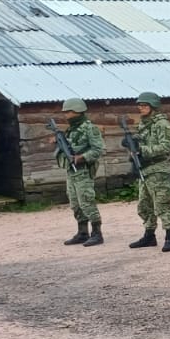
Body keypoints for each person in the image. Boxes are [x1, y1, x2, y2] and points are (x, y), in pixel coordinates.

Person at [127, 91, 170, 252]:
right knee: (144, 205)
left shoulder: (162, 124)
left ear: (153, 106)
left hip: (158, 169)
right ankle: (149, 235)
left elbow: (165, 147)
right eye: (139, 105)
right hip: (145, 170)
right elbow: (142, 142)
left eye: (144, 105)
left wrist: (142, 150)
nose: (141, 108)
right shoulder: (144, 124)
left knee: (162, 204)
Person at [57, 98, 105, 247]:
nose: (66, 114)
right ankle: (82, 232)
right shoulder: (71, 129)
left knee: (86, 201)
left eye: (68, 112)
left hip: (83, 170)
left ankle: (97, 233)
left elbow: (98, 149)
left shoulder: (89, 128)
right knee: (75, 203)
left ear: (77, 111)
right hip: (71, 171)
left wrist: (82, 157)